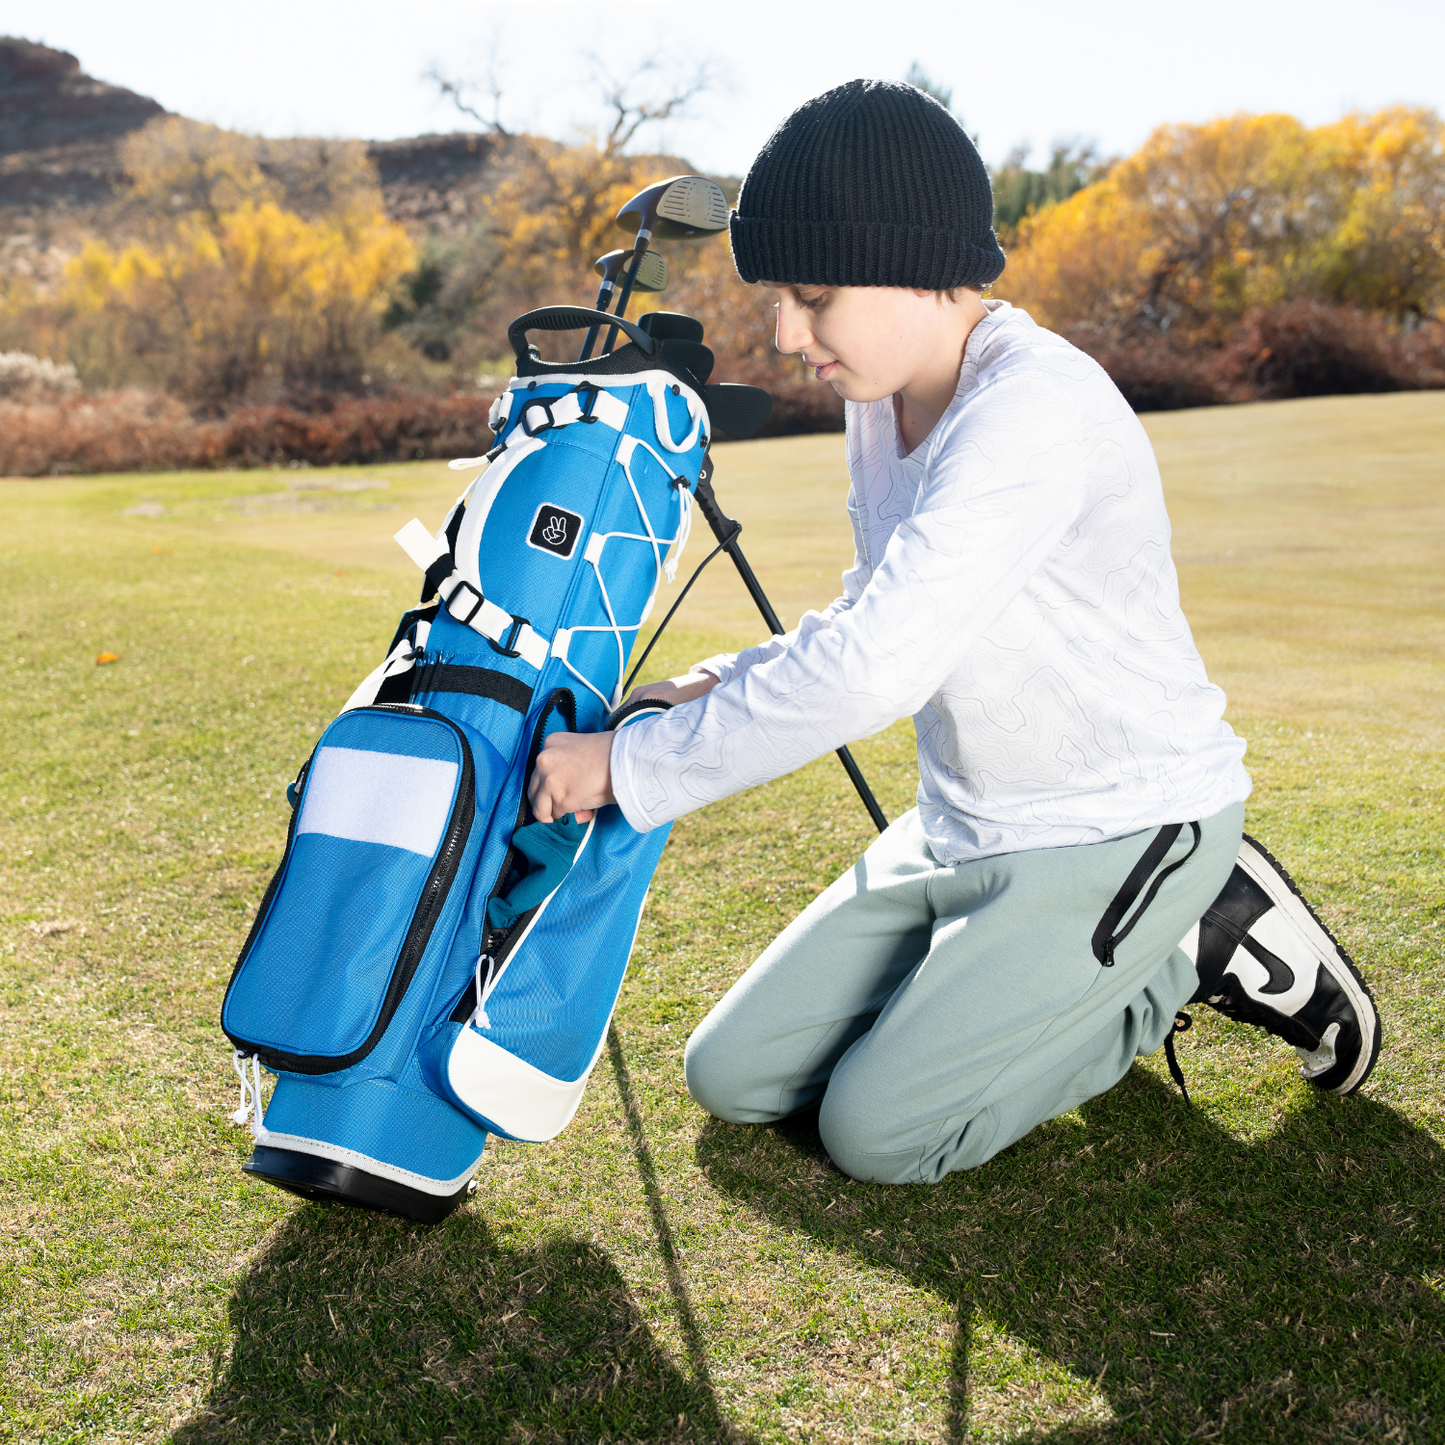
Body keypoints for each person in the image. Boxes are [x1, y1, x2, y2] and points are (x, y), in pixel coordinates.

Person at [528, 79, 1381, 1184]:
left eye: (812, 295)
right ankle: (1010, 977)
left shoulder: (1031, 407)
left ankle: (1181, 945)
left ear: (915, 269)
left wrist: (628, 763)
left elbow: (877, 667)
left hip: (1113, 824)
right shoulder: (875, 400)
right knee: (730, 1075)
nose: (785, 334)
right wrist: (714, 682)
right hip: (957, 826)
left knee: (877, 1135)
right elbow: (874, 607)